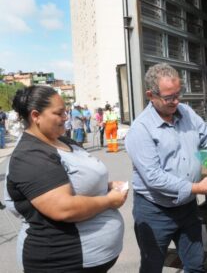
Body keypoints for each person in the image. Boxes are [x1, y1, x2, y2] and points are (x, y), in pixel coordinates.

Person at [125, 63, 207, 273]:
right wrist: (197, 188)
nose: (176, 101)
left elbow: (206, 137)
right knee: (152, 266)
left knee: (196, 265)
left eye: (179, 94)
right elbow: (154, 178)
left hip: (186, 208)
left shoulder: (185, 111)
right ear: (151, 95)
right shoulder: (140, 130)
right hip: (154, 211)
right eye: (169, 98)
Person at [5, 85, 128, 272]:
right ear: (36, 116)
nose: (66, 118)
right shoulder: (30, 156)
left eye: (66, 112)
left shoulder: (63, 140)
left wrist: (107, 186)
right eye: (59, 113)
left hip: (92, 259)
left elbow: (80, 182)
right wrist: (109, 200)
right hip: (61, 261)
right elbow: (64, 209)